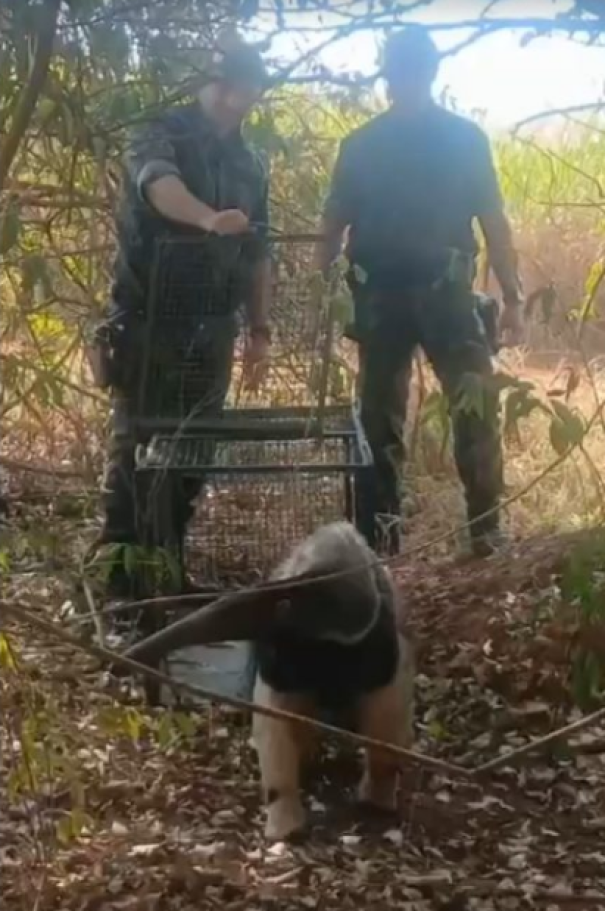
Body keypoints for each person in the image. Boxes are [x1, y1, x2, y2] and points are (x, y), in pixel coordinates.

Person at [314, 26, 524, 558]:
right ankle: (381, 543)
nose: (402, 83)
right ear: (389, 79)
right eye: (397, 74)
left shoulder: (462, 139)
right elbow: (332, 224)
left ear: (427, 74)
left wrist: (515, 297)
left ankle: (484, 530)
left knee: (473, 405)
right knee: (377, 419)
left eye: (410, 72)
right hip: (382, 295)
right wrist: (321, 293)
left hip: (446, 294)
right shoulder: (361, 145)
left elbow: (494, 223)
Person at [87, 35, 273, 604]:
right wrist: (209, 218)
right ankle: (121, 588)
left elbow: (259, 252)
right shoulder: (161, 132)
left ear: (252, 93)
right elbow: (157, 187)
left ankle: (165, 568)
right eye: (220, 85)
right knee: (137, 454)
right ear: (204, 83)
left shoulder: (249, 163)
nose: (228, 99)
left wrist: (260, 330)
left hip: (212, 328)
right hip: (147, 322)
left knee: (195, 451)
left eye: (240, 88)